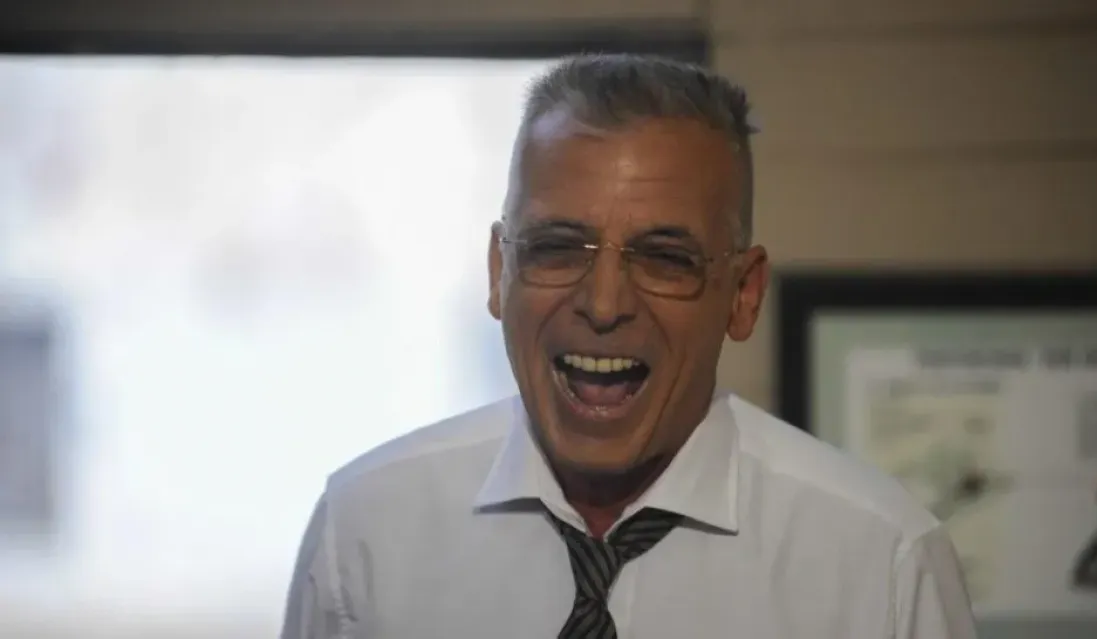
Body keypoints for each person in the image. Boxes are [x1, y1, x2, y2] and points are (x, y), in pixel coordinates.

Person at [280, 53, 977, 638]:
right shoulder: (365, 535)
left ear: (742, 294)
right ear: (499, 272)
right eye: (556, 248)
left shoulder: (880, 568)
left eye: (664, 258)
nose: (604, 304)